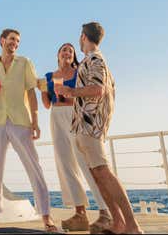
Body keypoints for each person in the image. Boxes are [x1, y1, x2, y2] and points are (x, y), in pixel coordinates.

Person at [58, 22, 142, 235]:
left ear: (83, 36)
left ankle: (132, 225)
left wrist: (71, 91)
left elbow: (98, 89)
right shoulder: (89, 60)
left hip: (91, 126)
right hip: (83, 126)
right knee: (97, 174)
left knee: (103, 171)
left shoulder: (96, 59)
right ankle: (118, 223)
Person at [0, 29, 56, 231]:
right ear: (2, 40)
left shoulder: (24, 63)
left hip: (20, 120)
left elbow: (30, 91)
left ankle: (46, 216)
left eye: (18, 41)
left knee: (33, 166)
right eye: (12, 39)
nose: (15, 43)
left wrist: (35, 121)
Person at [42, 43, 111, 233]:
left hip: (75, 114)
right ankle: (80, 212)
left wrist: (69, 93)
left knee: (84, 161)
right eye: (64, 50)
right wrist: (42, 91)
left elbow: (86, 94)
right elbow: (48, 104)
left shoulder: (80, 71)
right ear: (58, 54)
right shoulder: (49, 77)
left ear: (74, 56)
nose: (67, 53)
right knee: (65, 164)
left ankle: (105, 210)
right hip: (56, 117)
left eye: (70, 51)